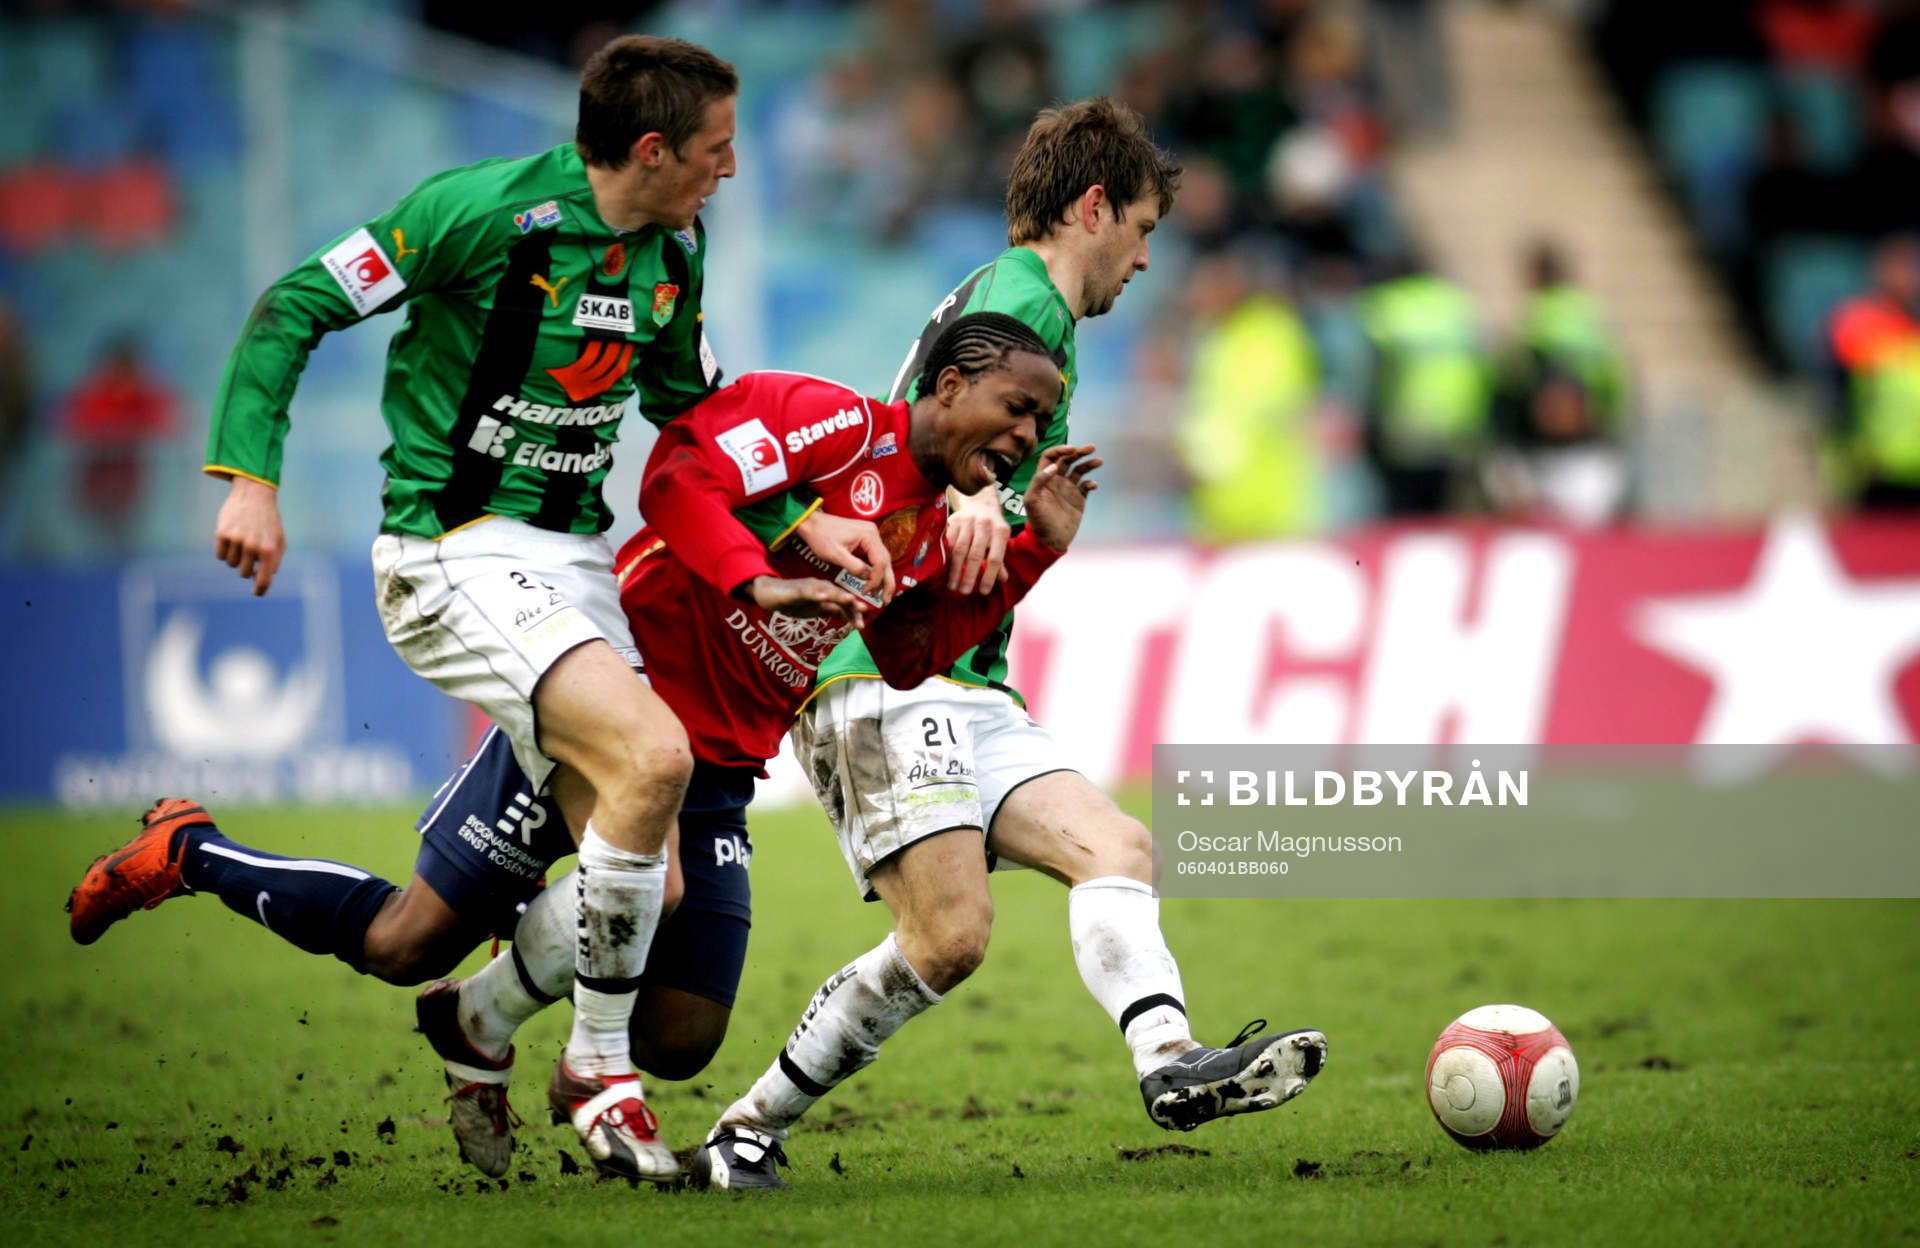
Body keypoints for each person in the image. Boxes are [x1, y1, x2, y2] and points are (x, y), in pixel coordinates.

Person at [85, 34, 891, 1182]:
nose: (729, 170)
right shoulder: (474, 215)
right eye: (715, 150)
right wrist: (250, 477)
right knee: (654, 757)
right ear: (652, 149)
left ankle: (206, 861)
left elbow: (692, 413)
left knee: (573, 903)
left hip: (572, 569)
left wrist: (796, 521)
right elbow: (296, 302)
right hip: (450, 551)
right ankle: (598, 1075)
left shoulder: (675, 250)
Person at [66, 312, 1091, 1183]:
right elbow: (679, 479)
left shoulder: (933, 520)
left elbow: (907, 656)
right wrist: (760, 573)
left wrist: (1035, 546)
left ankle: (482, 1005)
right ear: (950, 385)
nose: (1028, 431)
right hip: (611, 696)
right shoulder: (825, 421)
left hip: (724, 766)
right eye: (1018, 407)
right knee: (556, 913)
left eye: (1043, 419)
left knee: (673, 1033)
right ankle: (191, 851)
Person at [680, 98, 1327, 1191]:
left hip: (957, 668)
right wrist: (972, 502)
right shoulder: (1024, 299)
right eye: (1144, 229)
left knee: (1113, 848)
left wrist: (1012, 524)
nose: (1147, 257)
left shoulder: (1021, 309)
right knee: (949, 938)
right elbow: (927, 443)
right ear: (1094, 207)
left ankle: (1170, 1061)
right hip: (881, 662)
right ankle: (747, 1127)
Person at [1485, 240, 1632, 527]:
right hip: (1592, 427)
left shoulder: (1538, 313)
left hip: (1548, 436)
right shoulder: (1591, 311)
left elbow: (1515, 373)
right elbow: (1615, 371)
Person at [1822, 234, 1920, 509]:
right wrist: (1848, 457)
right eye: (1899, 266)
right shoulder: (1857, 323)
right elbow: (1836, 398)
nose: (1909, 276)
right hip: (1877, 471)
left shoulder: (1913, 326)